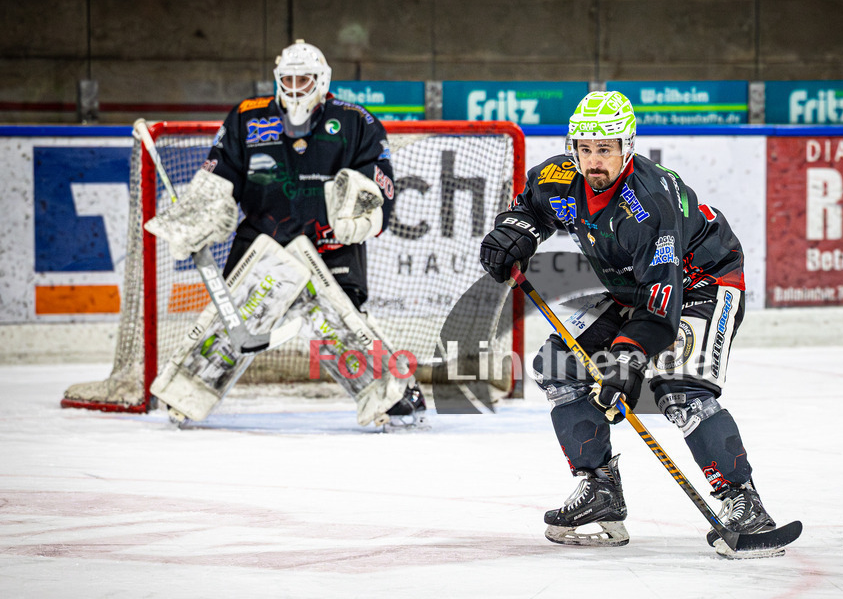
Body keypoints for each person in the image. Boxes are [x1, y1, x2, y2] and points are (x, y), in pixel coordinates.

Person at [479, 90, 777, 554]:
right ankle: (599, 490)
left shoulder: (650, 202)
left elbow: (662, 306)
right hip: (632, 288)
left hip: (700, 282)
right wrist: (516, 233)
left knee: (680, 387)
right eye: (585, 148)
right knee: (559, 367)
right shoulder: (559, 175)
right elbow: (531, 208)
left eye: (605, 149)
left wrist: (627, 357)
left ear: (627, 147)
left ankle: (744, 503)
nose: (593, 161)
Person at [144, 40, 425, 427]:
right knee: (233, 324)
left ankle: (395, 395)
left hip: (330, 244)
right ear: (277, 79)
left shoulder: (355, 120)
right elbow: (219, 172)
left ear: (322, 80)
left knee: (342, 322)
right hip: (263, 237)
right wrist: (202, 211)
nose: (295, 86)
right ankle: (188, 393)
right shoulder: (247, 116)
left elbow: (379, 180)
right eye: (288, 78)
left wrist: (366, 212)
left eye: (304, 78)